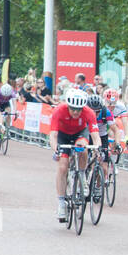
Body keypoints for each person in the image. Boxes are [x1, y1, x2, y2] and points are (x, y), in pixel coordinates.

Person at [47, 90, 101, 221]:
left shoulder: (89, 112)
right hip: (63, 135)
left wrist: (98, 148)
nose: (76, 112)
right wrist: (56, 150)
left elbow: (95, 135)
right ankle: (61, 203)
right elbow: (53, 136)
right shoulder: (59, 111)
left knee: (82, 148)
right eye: (73, 109)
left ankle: (81, 176)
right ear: (68, 106)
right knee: (63, 167)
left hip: (80, 133)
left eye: (79, 109)